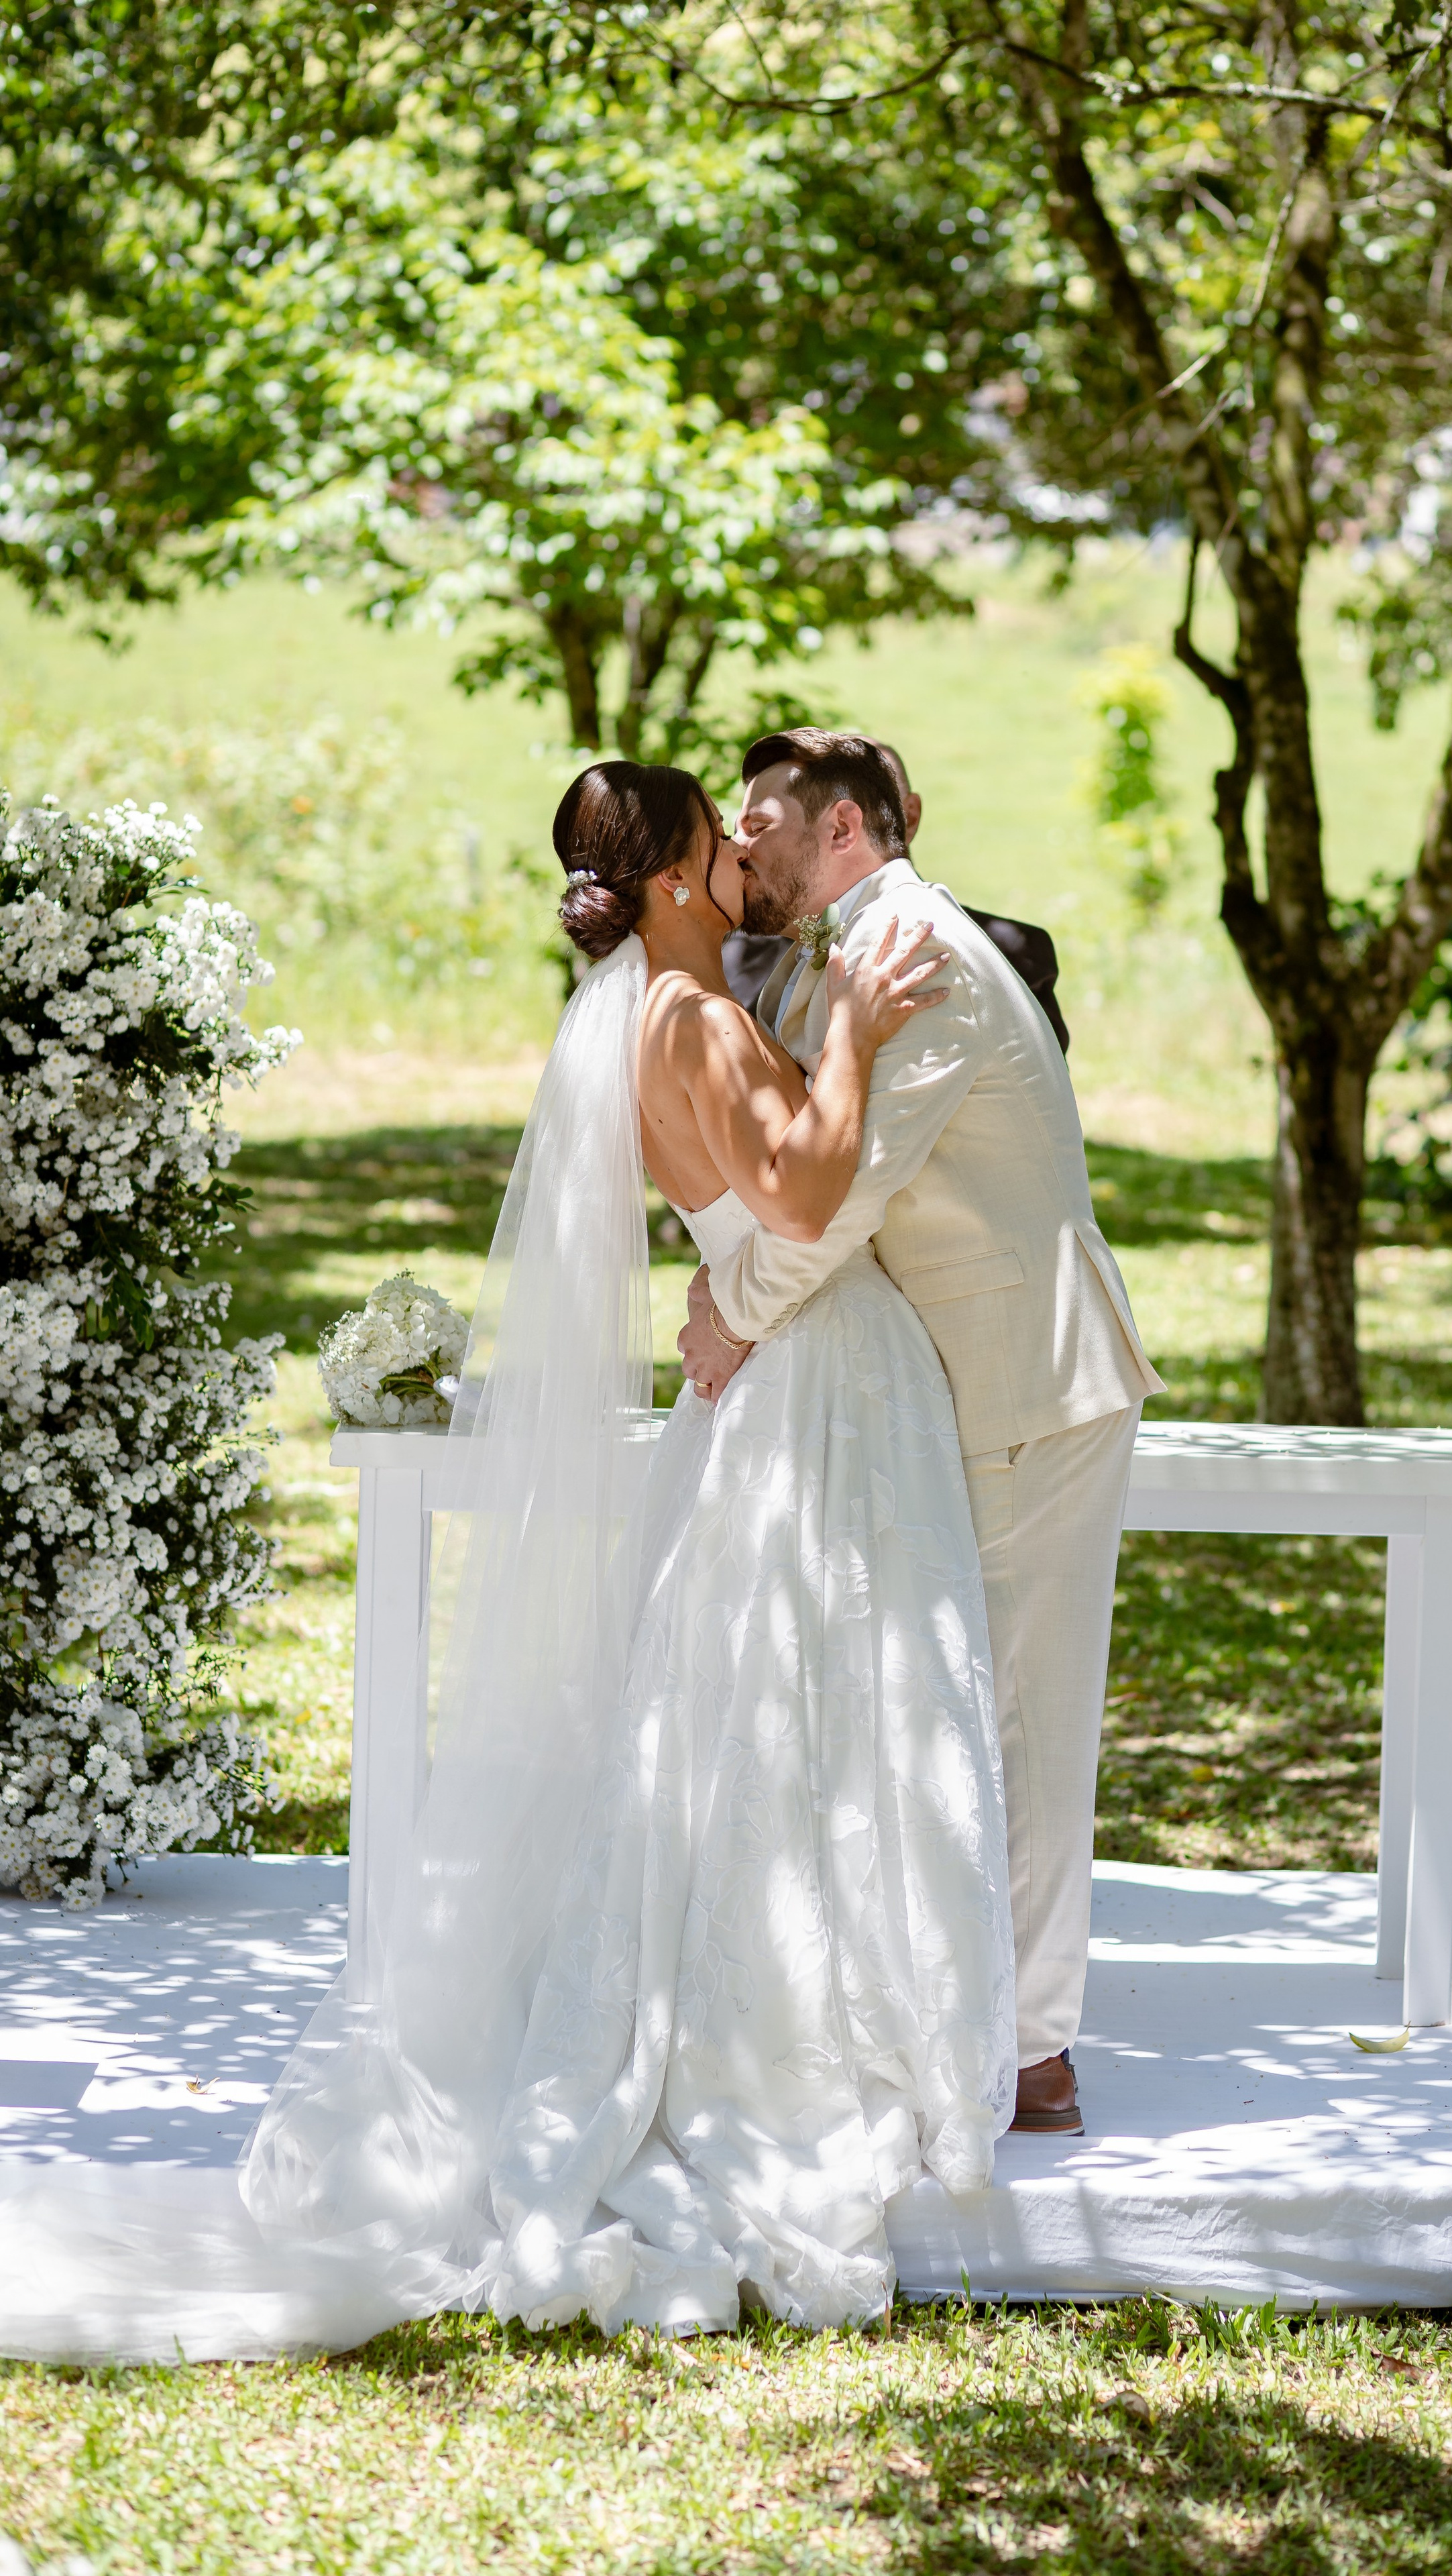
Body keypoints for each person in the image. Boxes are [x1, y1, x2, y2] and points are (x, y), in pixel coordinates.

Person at [0, 761, 1016, 2362]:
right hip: (809, 1381)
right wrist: (864, 1031)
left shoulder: (651, 1006)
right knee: (799, 1710)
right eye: (720, 841)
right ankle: (794, 2038)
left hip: (790, 1374)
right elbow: (809, 1183)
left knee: (768, 1708)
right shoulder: (680, 1019)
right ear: (678, 874)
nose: (749, 859)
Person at [679, 731, 1163, 2137]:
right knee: (955, 1703)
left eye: (762, 819)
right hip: (962, 1380)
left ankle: (1030, 2054)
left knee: (1018, 1711)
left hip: (1031, 1381)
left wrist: (731, 1313)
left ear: (841, 832)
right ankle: (953, 2006)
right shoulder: (860, 946)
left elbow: (842, 1199)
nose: (743, 843)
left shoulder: (916, 957)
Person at [722, 741, 1071, 1053]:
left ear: (842, 829)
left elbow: (864, 1128)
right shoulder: (829, 940)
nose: (735, 848)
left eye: (758, 828)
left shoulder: (913, 949)